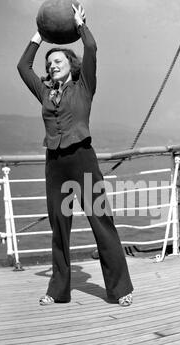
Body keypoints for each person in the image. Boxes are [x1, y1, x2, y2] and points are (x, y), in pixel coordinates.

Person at [17, 4, 134, 306]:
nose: (53, 65)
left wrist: (80, 26)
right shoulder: (45, 91)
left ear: (71, 63)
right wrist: (39, 36)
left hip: (82, 159)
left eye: (58, 60)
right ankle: (58, 291)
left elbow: (92, 46)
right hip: (55, 164)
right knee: (59, 226)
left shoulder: (85, 86)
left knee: (100, 221)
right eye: (50, 63)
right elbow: (22, 67)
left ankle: (120, 290)